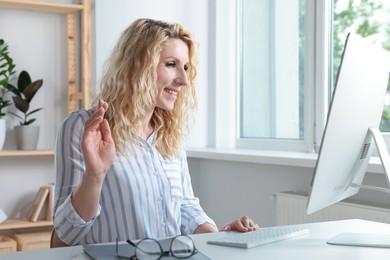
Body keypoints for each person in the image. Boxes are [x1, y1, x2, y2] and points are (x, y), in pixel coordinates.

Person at [53, 18, 258, 245]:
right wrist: (95, 176)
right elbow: (66, 234)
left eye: (186, 67)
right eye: (171, 64)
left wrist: (222, 238)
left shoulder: (170, 135)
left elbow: (185, 206)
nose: (184, 80)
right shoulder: (83, 128)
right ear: (138, 65)